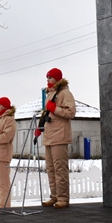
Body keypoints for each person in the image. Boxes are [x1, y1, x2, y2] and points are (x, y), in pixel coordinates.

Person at [36, 68, 75, 209]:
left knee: (60, 169)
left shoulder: (65, 93)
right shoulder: (50, 94)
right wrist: (40, 126)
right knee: (51, 169)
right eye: (47, 78)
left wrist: (55, 109)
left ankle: (63, 198)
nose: (48, 80)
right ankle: (54, 196)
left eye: (50, 78)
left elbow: (71, 112)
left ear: (58, 79)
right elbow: (47, 113)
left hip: (60, 136)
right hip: (49, 135)